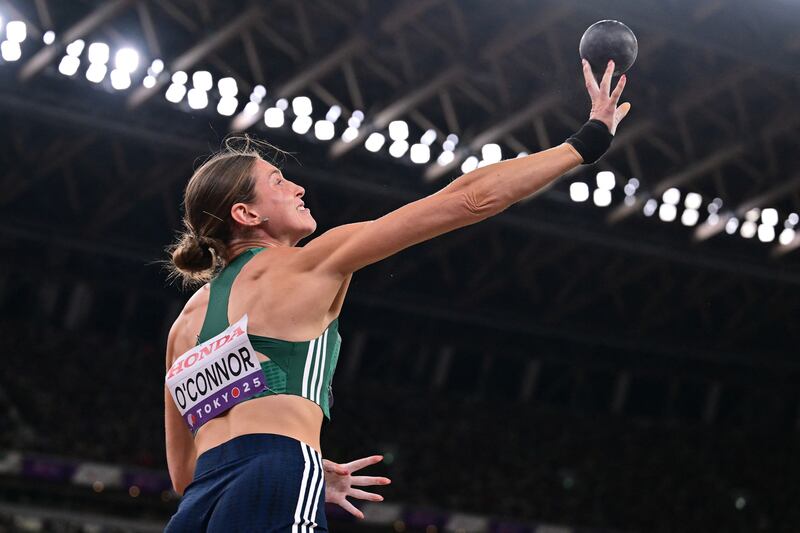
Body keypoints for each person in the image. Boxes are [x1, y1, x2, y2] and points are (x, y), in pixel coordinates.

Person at [163, 59, 630, 531]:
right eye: (278, 183)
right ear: (246, 214)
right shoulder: (311, 262)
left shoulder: (183, 327)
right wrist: (585, 142)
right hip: (277, 473)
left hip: (200, 504)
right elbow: (468, 200)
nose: (299, 187)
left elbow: (184, 474)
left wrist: (261, 462)